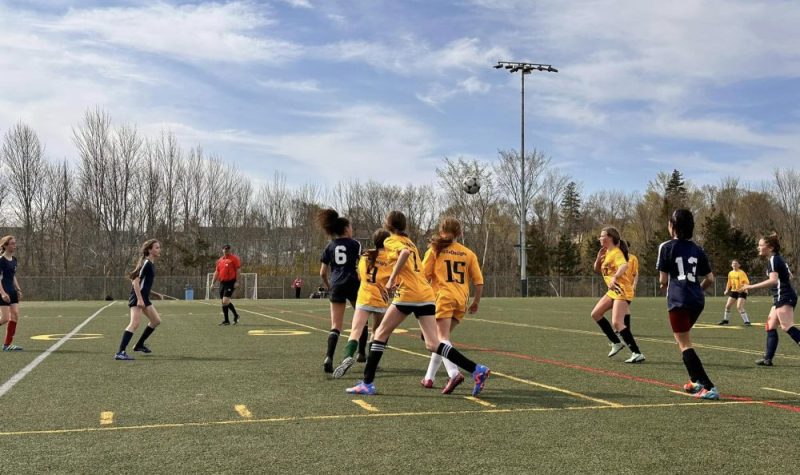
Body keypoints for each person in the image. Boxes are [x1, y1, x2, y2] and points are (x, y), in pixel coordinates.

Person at [346, 210, 490, 396]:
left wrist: (392, 279)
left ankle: (367, 383)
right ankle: (476, 369)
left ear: (388, 225)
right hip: (426, 294)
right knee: (433, 343)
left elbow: (404, 254)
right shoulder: (410, 242)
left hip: (409, 294)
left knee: (380, 333)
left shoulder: (391, 241)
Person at [657, 209, 719, 399]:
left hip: (678, 299)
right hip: (697, 300)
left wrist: (665, 287)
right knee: (681, 338)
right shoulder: (698, 249)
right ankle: (694, 381)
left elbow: (663, 280)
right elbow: (710, 278)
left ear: (672, 226)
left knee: (684, 343)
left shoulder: (666, 246)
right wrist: (698, 289)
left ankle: (708, 387)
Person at [420, 217, 484, 395]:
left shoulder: (436, 250)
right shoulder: (468, 253)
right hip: (461, 300)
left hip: (443, 297)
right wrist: (476, 301)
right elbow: (479, 282)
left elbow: (423, 275)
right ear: (460, 233)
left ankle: (454, 373)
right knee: (442, 339)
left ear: (441, 232)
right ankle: (429, 378)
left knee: (439, 340)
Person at [333, 229, 391, 378]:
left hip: (364, 297)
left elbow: (360, 276)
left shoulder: (366, 256)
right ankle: (372, 362)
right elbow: (393, 280)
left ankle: (347, 357)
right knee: (377, 333)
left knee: (355, 331)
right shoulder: (390, 258)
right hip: (380, 299)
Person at [740, 233, 800, 366]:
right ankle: (768, 359)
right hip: (782, 296)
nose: (758, 247)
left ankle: (768, 358)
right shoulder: (777, 258)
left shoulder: (774, 259)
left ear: (770, 248)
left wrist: (750, 286)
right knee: (770, 325)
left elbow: (773, 281)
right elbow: (789, 276)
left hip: (784, 296)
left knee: (787, 326)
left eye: (761, 245)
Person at [318, 209, 366, 373]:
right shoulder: (356, 244)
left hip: (336, 284)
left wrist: (328, 285)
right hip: (353, 283)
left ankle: (329, 357)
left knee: (336, 325)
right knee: (361, 319)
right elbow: (362, 266)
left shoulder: (329, 246)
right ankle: (361, 353)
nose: (352, 229)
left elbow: (322, 272)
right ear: (346, 229)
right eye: (351, 227)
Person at [590, 227, 645, 363]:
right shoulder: (606, 252)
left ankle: (637, 353)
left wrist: (615, 277)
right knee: (596, 314)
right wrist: (598, 258)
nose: (599, 238)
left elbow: (624, 266)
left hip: (622, 290)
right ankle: (616, 342)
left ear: (610, 238)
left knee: (617, 322)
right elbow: (597, 269)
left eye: (602, 236)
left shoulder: (616, 252)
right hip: (613, 291)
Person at [115, 239, 162, 361]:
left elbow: (143, 285)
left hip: (144, 297)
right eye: (156, 247)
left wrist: (154, 294)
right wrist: (140, 300)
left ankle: (139, 345)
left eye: (158, 247)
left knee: (156, 321)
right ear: (149, 250)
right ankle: (120, 352)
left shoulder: (151, 264)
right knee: (134, 324)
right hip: (138, 297)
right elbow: (135, 281)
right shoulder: (146, 263)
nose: (159, 249)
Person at [0, 236, 24, 351]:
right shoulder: (1, 260)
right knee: (4, 318)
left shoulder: (14, 260)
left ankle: (7, 345)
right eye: (12, 244)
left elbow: (13, 276)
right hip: (3, 291)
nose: (14, 246)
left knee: (15, 315)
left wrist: (18, 289)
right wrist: (3, 293)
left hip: (12, 291)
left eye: (15, 243)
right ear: (5, 245)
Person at [213, 244, 241, 326]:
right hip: (222, 283)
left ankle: (234, 316)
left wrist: (237, 281)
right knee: (224, 302)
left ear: (230, 250)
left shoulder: (234, 259)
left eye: (228, 249)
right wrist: (212, 283)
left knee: (225, 301)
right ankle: (228, 320)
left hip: (230, 282)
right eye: (225, 249)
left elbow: (238, 270)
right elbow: (217, 272)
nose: (226, 250)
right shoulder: (220, 260)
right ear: (222, 250)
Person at [718, 260, 751, 326]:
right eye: (733, 263)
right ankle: (726, 321)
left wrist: (742, 289)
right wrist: (726, 290)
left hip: (742, 291)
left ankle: (747, 322)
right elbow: (729, 282)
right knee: (727, 306)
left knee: (739, 306)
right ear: (731, 265)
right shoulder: (730, 273)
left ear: (739, 265)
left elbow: (747, 282)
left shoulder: (741, 273)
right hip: (734, 291)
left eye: (736, 263)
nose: (734, 265)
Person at [623, 243, 639, 332]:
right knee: (619, 307)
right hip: (619, 287)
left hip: (628, 287)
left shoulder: (633, 258)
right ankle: (621, 328)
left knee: (624, 306)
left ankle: (625, 329)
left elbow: (636, 273)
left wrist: (634, 285)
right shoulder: (617, 258)